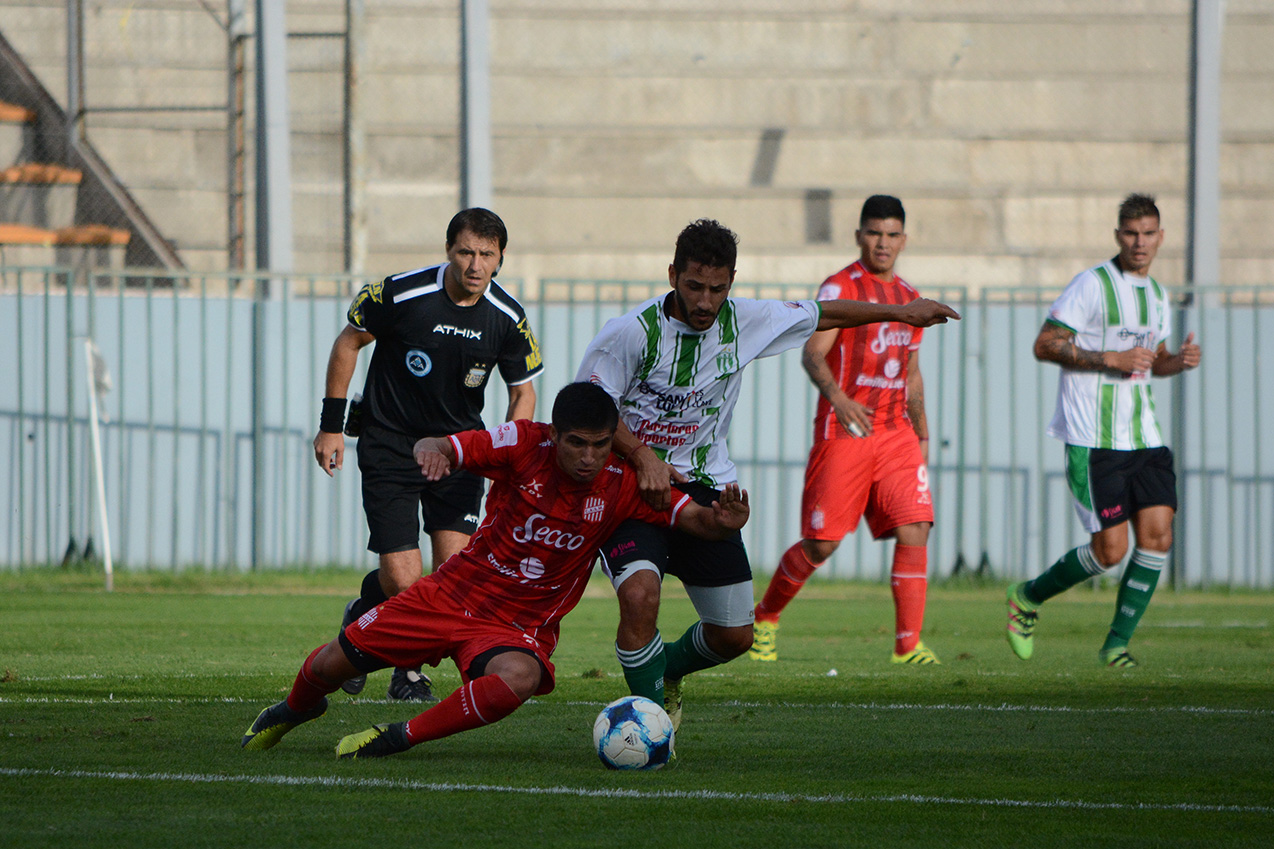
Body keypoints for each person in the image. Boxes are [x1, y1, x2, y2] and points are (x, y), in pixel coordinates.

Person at [574, 218, 959, 728]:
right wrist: (643, 454)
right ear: (672, 276)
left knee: (734, 636)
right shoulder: (629, 333)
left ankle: (665, 670)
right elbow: (589, 407)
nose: (705, 301)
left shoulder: (746, 320)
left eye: (717, 288)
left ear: (731, 282)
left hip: (707, 486)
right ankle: (648, 725)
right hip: (632, 487)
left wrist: (902, 314)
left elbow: (824, 314)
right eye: (694, 286)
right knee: (640, 596)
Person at [242, 382, 749, 759]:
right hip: (448, 593)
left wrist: (723, 521)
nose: (589, 456)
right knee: (333, 664)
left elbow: (697, 521)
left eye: (600, 444)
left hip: (517, 627)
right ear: (555, 435)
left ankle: (400, 736)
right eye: (577, 443)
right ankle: (295, 709)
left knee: (520, 677)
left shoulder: (624, 482)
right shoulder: (524, 443)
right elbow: (447, 444)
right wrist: (430, 450)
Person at [312, 207, 543, 702]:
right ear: (448, 251)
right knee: (403, 578)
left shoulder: (507, 317)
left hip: (459, 453)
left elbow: (523, 391)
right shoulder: (399, 294)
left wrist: (505, 455)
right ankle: (378, 640)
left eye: (486, 255)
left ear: (501, 259)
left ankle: (395, 658)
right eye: (465, 252)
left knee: (449, 577)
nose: (475, 265)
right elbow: (349, 342)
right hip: (390, 443)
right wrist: (331, 427)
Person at [1006, 193, 1201, 668]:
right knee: (1109, 551)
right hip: (1095, 438)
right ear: (1118, 236)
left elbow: (1149, 364)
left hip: (1145, 437)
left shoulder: (1157, 295)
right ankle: (1027, 597)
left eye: (1149, 233)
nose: (1140, 242)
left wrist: (1177, 361)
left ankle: (1116, 644)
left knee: (1158, 539)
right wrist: (1106, 359)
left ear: (1161, 238)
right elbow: (1045, 344)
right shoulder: (1091, 286)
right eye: (1131, 233)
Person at [750, 195, 940, 666]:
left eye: (892, 234)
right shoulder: (840, 286)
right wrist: (838, 398)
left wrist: (923, 434)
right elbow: (813, 353)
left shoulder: (910, 298)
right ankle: (765, 618)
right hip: (846, 428)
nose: (883, 242)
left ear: (904, 239)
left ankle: (908, 647)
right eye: (874, 233)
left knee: (916, 526)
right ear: (859, 236)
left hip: (896, 432)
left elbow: (911, 373)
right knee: (823, 542)